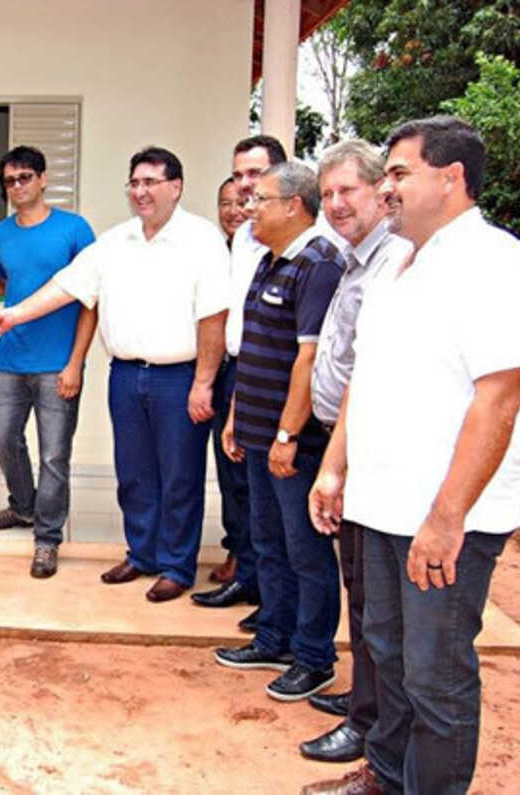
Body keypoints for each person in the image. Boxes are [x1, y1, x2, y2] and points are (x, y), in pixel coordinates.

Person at [302, 116, 520, 795]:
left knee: (434, 672)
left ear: (453, 177)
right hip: (379, 503)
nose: (389, 188)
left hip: (443, 518)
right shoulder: (398, 263)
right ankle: (386, 775)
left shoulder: (496, 265)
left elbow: (499, 397)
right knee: (384, 651)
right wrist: (334, 466)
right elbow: (364, 377)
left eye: (401, 173)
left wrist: (447, 515)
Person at [0, 146, 229, 602]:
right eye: (134, 183)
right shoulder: (116, 242)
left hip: (179, 377)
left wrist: (204, 381)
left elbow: (213, 316)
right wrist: (15, 315)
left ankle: (177, 565)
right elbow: (66, 286)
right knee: (134, 472)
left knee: (179, 475)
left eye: (150, 182)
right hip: (125, 375)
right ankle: (141, 555)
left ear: (175, 187)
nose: (140, 191)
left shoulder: (202, 239)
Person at [298, 140, 412, 765]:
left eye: (349, 191)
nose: (337, 204)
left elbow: (366, 372)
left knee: (375, 603)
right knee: (361, 591)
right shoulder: (353, 260)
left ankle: (370, 725)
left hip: (367, 449)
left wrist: (336, 463)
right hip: (345, 442)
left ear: (380, 192)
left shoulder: (394, 262)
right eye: (330, 193)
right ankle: (365, 702)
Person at [214, 161, 343, 702]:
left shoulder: (318, 264)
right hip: (260, 432)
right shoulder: (270, 260)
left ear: (294, 204)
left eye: (260, 199)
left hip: (295, 441)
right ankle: (274, 637)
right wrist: (239, 418)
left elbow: (306, 358)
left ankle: (314, 656)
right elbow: (256, 350)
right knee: (268, 542)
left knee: (305, 551)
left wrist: (288, 436)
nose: (249, 209)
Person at [0, 145, 97, 578]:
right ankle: (23, 507)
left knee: (54, 456)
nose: (17, 186)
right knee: (4, 440)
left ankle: (47, 538)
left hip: (58, 362)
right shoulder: (1, 232)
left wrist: (76, 362)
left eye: (24, 177)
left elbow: (90, 299)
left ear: (42, 179)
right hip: (10, 358)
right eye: (9, 181)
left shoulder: (75, 230)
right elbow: (7, 279)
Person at [191, 136, 286, 620]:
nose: (245, 188)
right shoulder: (245, 239)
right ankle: (249, 577)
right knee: (236, 481)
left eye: (255, 175)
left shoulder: (296, 242)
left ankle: (270, 596)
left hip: (267, 380)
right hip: (233, 372)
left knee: (265, 491)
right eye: (238, 176)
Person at [207, 175, 250, 586]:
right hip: (216, 372)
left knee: (245, 472)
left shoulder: (263, 254)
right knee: (227, 470)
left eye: (242, 201)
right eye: (224, 203)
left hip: (250, 373)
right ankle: (237, 550)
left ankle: (249, 565)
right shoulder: (216, 253)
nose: (233, 211)